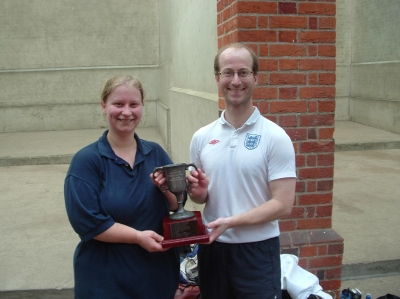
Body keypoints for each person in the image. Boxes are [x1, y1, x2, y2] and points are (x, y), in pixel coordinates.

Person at [187, 43, 297, 299]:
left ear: (255, 78)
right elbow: (200, 198)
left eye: (243, 72)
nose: (235, 81)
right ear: (217, 78)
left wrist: (231, 222)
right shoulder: (202, 137)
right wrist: (200, 193)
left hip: (257, 252)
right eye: (228, 73)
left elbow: (283, 204)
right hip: (213, 250)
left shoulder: (275, 137)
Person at [64, 75, 180, 299]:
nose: (126, 112)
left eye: (133, 104)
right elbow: (87, 222)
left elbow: (176, 205)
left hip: (156, 276)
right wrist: (137, 237)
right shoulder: (86, 161)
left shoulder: (155, 153)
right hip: (106, 281)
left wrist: (168, 189)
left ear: (142, 107)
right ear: (103, 106)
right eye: (118, 104)